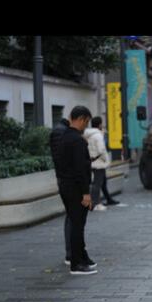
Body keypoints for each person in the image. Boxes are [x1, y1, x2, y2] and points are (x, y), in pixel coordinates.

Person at [58, 106, 98, 275]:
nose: (86, 126)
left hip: (66, 186)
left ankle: (82, 256)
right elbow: (80, 169)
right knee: (77, 224)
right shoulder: (77, 140)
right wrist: (86, 193)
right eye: (86, 122)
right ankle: (77, 263)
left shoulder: (64, 137)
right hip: (75, 188)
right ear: (80, 119)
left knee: (77, 223)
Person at [49, 117, 73, 265]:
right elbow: (62, 158)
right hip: (67, 180)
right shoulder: (60, 133)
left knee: (72, 216)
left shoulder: (60, 131)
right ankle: (71, 254)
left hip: (65, 178)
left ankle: (72, 252)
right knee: (72, 216)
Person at [84, 117, 110, 212]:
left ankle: (97, 202)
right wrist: (105, 159)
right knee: (97, 184)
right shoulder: (98, 136)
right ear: (99, 124)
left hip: (91, 161)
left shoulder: (88, 135)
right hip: (99, 163)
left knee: (98, 183)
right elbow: (101, 150)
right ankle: (96, 203)